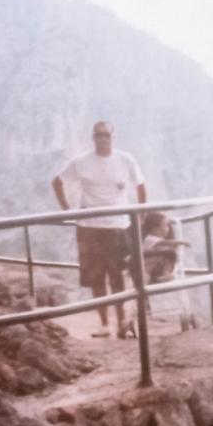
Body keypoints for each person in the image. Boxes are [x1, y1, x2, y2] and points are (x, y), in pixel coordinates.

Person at [52, 121, 146, 338]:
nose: (103, 138)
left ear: (113, 136)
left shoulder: (125, 160)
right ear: (93, 138)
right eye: (98, 135)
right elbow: (57, 182)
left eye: (106, 135)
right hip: (90, 228)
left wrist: (141, 213)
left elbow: (141, 185)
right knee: (96, 278)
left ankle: (122, 323)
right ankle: (104, 324)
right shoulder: (81, 162)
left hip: (117, 227)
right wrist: (67, 210)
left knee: (118, 277)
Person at [141, 211, 191, 284]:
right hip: (148, 266)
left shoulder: (157, 239)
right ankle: (165, 273)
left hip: (155, 265)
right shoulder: (150, 238)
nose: (168, 229)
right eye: (165, 226)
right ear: (156, 229)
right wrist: (181, 242)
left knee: (171, 253)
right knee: (170, 252)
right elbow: (165, 243)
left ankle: (165, 274)